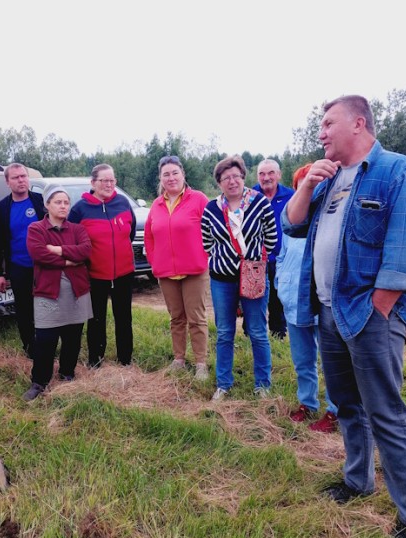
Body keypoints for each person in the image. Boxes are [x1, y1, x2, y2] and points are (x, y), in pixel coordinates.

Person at [283, 95, 406, 538]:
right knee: (346, 405)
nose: (321, 133)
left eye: (328, 123)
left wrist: (381, 307)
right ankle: (358, 481)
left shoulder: (398, 172)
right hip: (329, 312)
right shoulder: (329, 179)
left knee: (386, 413)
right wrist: (307, 184)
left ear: (358, 122)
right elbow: (293, 225)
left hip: (369, 316)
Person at [201, 155, 277, 401]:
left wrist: (253, 259)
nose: (231, 181)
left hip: (253, 276)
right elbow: (207, 242)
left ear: (243, 177)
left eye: (235, 176)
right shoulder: (211, 209)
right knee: (224, 332)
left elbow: (271, 238)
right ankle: (223, 384)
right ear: (219, 182)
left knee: (257, 331)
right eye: (226, 178)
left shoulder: (260, 203)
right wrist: (227, 260)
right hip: (222, 279)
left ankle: (263, 385)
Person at [278, 163, 338, 433]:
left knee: (331, 360)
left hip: (321, 301)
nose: (311, 191)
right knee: (303, 359)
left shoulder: (329, 222)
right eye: (304, 185)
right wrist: (281, 285)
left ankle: (335, 410)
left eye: (315, 185)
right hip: (293, 301)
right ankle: (307, 403)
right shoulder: (292, 220)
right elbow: (282, 258)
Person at [22, 184, 93, 401]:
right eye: (58, 202)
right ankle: (39, 381)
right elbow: (39, 254)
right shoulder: (36, 229)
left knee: (73, 337)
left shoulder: (77, 229)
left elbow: (86, 251)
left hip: (76, 292)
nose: (63, 206)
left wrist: (59, 250)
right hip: (48, 292)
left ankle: (67, 374)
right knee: (45, 339)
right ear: (47, 205)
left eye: (66, 202)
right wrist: (69, 260)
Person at [144, 156, 210, 381]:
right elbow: (149, 237)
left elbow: (213, 230)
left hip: (194, 270)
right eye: (166, 174)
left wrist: (205, 256)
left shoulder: (199, 199)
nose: (171, 178)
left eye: (174, 173)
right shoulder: (156, 204)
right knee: (176, 318)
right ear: (161, 179)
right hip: (166, 273)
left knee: (197, 318)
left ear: (183, 175)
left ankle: (201, 363)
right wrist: (155, 261)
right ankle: (179, 359)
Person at [68, 163, 136, 368]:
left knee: (124, 317)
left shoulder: (123, 202)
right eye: (104, 180)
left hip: (124, 273)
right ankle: (95, 360)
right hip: (95, 275)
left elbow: (130, 234)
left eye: (112, 180)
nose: (109, 184)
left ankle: (125, 359)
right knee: (96, 319)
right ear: (93, 183)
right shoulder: (80, 209)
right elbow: (72, 240)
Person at [0, 163, 46, 357]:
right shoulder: (0, 210)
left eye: (23, 176)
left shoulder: (41, 202)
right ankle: (30, 348)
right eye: (16, 177)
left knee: (47, 307)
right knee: (24, 310)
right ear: (7, 182)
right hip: (20, 267)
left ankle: (48, 345)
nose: (21, 180)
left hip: (45, 267)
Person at [252, 159, 295, 340]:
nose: (266, 177)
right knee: (254, 299)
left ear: (278, 175)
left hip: (281, 258)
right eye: (262, 174)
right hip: (255, 258)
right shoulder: (250, 196)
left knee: (278, 298)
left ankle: (278, 335)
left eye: (270, 173)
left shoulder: (291, 196)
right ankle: (251, 335)